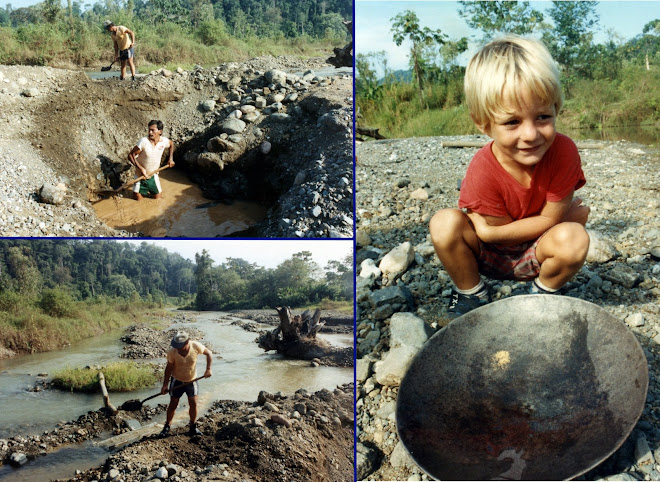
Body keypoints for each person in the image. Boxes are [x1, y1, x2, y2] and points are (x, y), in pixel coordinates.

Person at [429, 35, 590, 318]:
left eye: (543, 117)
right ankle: (472, 293)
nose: (530, 135)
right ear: (483, 123)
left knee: (574, 237)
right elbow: (504, 241)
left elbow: (549, 222)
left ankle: (541, 294)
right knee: (444, 223)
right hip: (490, 255)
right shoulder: (482, 169)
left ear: (556, 109)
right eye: (512, 122)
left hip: (535, 250)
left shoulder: (564, 151)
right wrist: (491, 235)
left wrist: (490, 230)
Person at [160, 331, 212, 436]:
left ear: (187, 342)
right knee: (173, 403)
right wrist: (165, 385)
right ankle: (167, 426)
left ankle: (193, 426)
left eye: (180, 347)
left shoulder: (195, 346)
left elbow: (209, 353)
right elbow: (168, 368)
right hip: (177, 381)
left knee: (193, 403)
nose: (178, 349)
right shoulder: (172, 352)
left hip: (191, 381)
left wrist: (208, 369)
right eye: (177, 346)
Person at [127, 120, 175, 200]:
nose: (150, 132)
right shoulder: (143, 141)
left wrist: (170, 159)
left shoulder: (163, 141)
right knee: (138, 201)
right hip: (140, 177)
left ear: (160, 131)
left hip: (153, 175)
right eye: (149, 130)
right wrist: (141, 168)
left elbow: (171, 144)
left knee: (158, 200)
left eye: (153, 130)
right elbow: (130, 155)